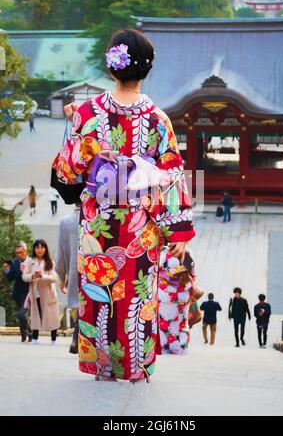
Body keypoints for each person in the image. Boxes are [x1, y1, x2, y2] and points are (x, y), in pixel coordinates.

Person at [52, 28, 196, 382]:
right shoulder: (158, 119)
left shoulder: (86, 113)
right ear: (147, 70)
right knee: (137, 297)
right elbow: (172, 173)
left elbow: (68, 172)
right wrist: (178, 230)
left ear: (112, 67)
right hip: (140, 224)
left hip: (98, 221)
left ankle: (102, 366)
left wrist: (81, 137)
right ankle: (135, 367)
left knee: (100, 294)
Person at [158, 247, 199, 355]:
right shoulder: (187, 251)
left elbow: (157, 270)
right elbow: (193, 273)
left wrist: (170, 273)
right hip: (183, 293)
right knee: (182, 320)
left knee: (165, 321)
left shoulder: (163, 252)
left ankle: (165, 347)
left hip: (166, 293)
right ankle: (182, 347)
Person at [22, 239, 60, 345]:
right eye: (37, 247)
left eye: (42, 247)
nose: (40, 250)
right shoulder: (30, 261)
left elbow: (54, 277)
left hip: (48, 293)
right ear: (34, 249)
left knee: (51, 315)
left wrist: (42, 276)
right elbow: (24, 276)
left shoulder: (50, 261)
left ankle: (53, 339)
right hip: (35, 292)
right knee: (35, 314)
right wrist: (32, 276)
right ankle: (35, 338)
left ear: (45, 249)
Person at [55, 205, 80, 354]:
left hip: (76, 275)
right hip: (102, 274)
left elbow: (61, 252)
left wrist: (62, 276)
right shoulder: (102, 217)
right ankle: (78, 338)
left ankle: (77, 338)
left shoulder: (66, 222)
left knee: (80, 309)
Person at [2, 242, 32, 342]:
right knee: (21, 315)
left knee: (21, 314)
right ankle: (25, 335)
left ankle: (28, 333)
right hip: (18, 294)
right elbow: (11, 277)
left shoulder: (32, 262)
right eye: (17, 253)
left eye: (20, 252)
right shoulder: (15, 262)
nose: (18, 255)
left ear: (25, 251)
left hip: (29, 293)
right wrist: (6, 270)